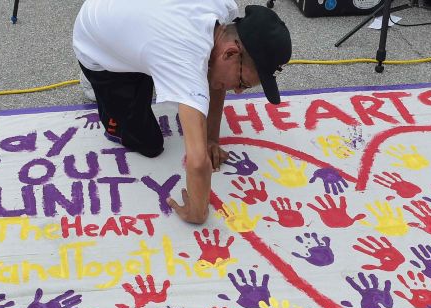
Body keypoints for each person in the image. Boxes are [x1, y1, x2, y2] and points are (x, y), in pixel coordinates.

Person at [72, 0, 292, 224]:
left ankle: (137, 58)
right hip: (96, 41)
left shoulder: (226, 14)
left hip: (135, 23)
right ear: (231, 52)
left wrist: (211, 139)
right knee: (148, 143)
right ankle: (96, 74)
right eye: (242, 83)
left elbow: (216, 80)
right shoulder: (185, 59)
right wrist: (197, 212)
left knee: (204, 70)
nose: (236, 91)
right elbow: (196, 162)